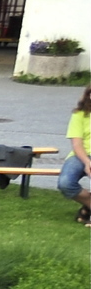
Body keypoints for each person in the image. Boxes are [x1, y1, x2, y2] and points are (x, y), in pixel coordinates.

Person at [62, 86, 90, 224]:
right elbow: (77, 144)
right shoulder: (79, 115)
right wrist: (86, 162)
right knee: (65, 183)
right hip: (80, 155)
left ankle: (87, 209)